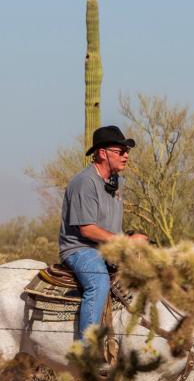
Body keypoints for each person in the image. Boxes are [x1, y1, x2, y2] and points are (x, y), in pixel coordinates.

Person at [59, 125, 148, 342]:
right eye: (120, 151)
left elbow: (111, 228)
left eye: (127, 152)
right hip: (81, 250)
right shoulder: (84, 182)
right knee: (99, 282)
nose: (126, 156)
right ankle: (85, 350)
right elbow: (87, 229)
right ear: (102, 153)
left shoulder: (115, 183)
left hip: (107, 248)